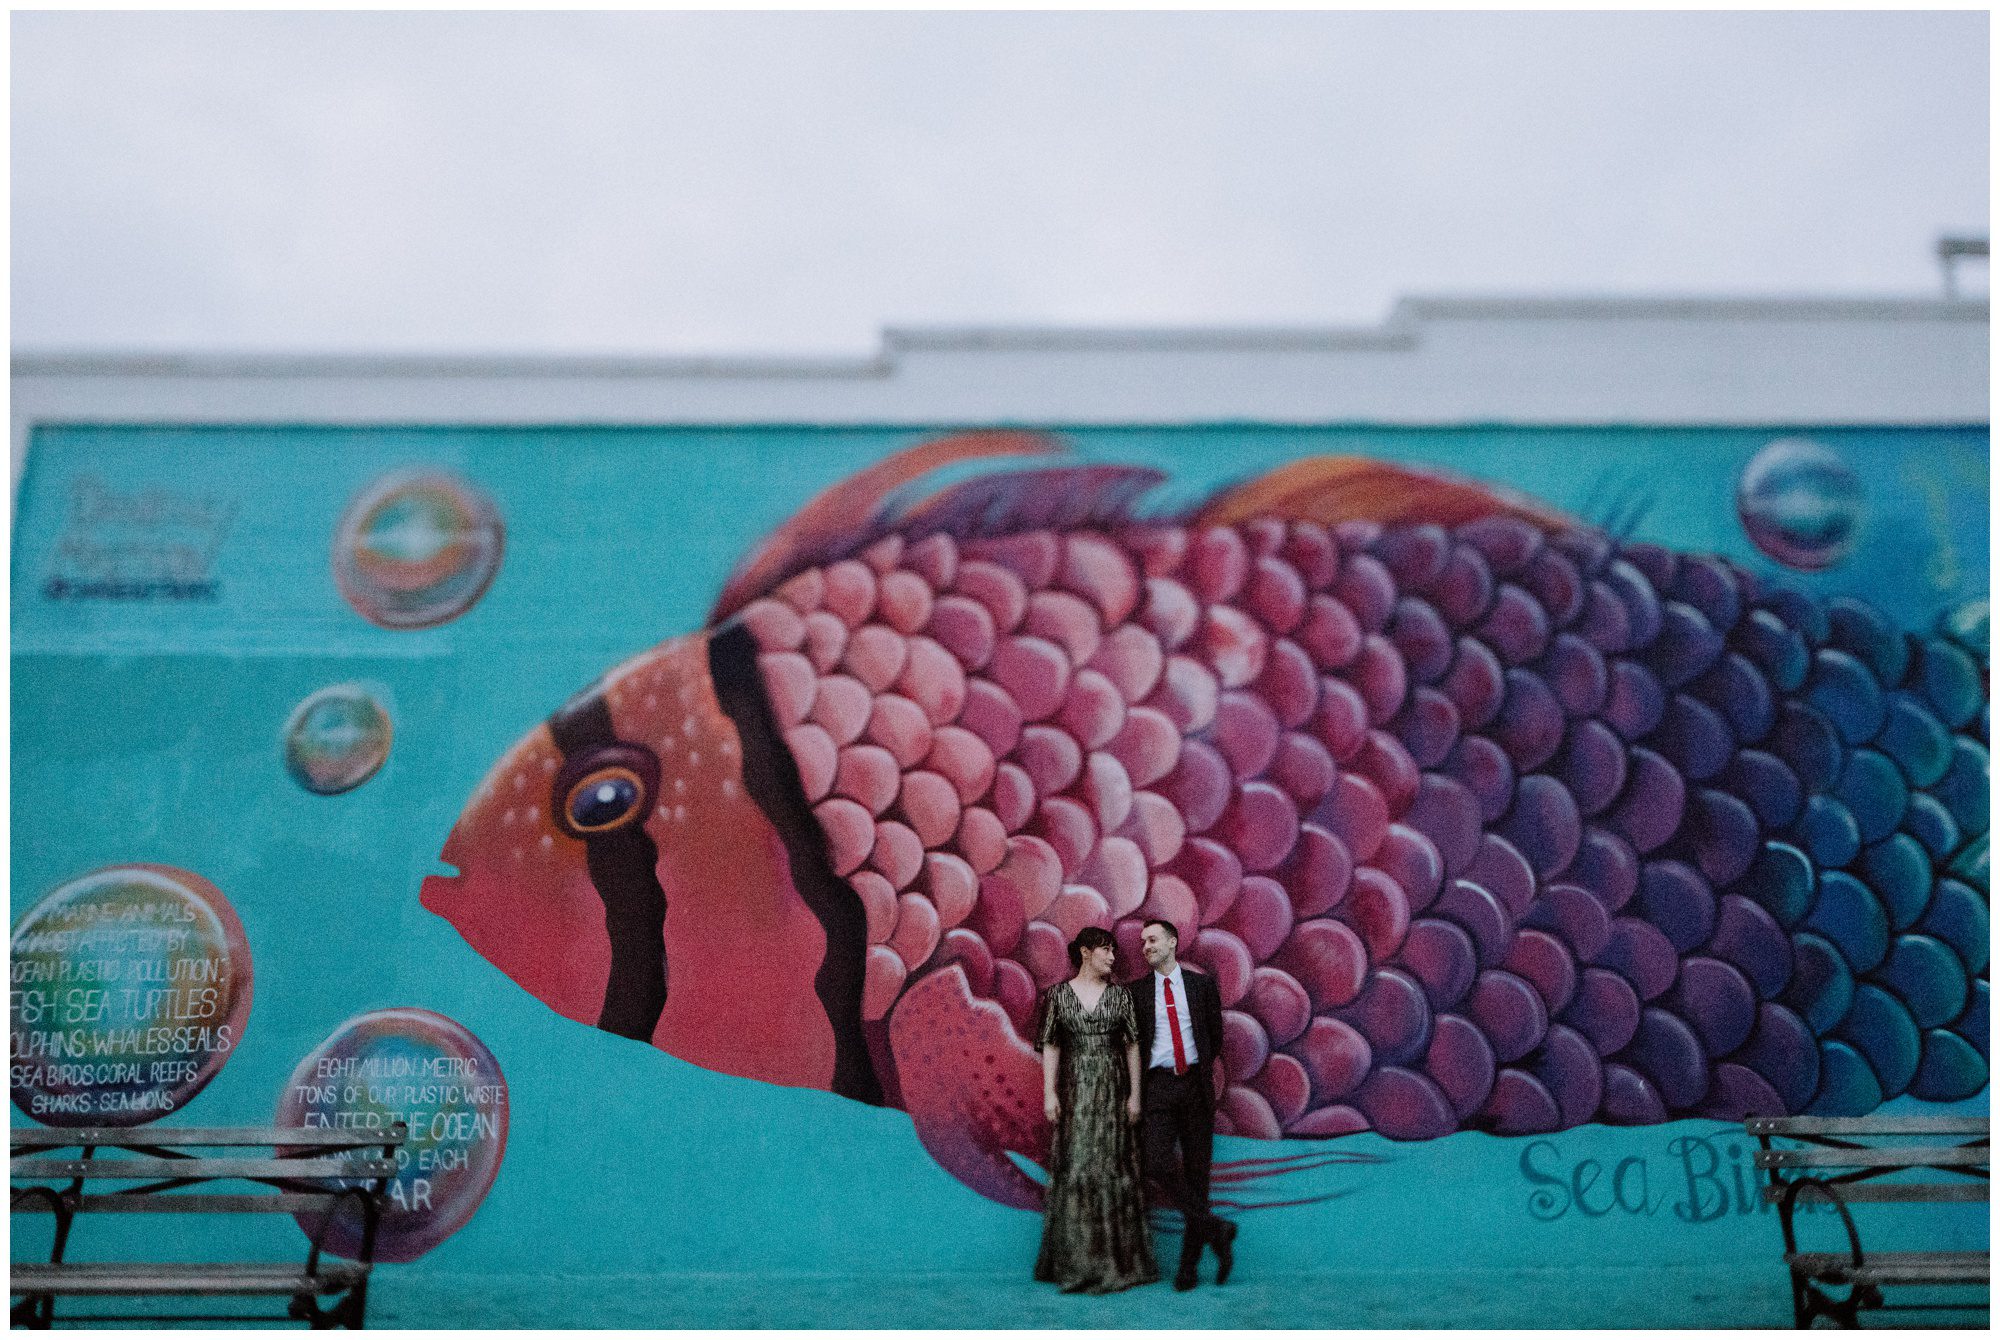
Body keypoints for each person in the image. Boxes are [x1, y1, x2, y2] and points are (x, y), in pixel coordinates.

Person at [1033, 925, 1159, 1293]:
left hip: (1112, 1090)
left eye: (1114, 951)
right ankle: (1075, 1264)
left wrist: (1135, 1095)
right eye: (1107, 950)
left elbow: (1133, 1046)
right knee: (1076, 1168)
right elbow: (1051, 1045)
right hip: (1075, 1092)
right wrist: (1049, 1093)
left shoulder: (1120, 997)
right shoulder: (1058, 996)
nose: (1113, 957)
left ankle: (1113, 1264)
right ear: (1086, 952)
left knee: (1112, 1168)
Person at [1132, 917, 1237, 1291]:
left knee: (1198, 1175)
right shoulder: (1137, 992)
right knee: (1156, 1162)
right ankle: (1215, 1229)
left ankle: (1189, 1267)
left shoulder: (1201, 986)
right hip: (1157, 1086)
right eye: (1143, 942)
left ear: (1173, 942)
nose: (1146, 946)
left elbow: (1215, 1036)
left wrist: (1198, 1072)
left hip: (1195, 1086)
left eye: (1153, 939)